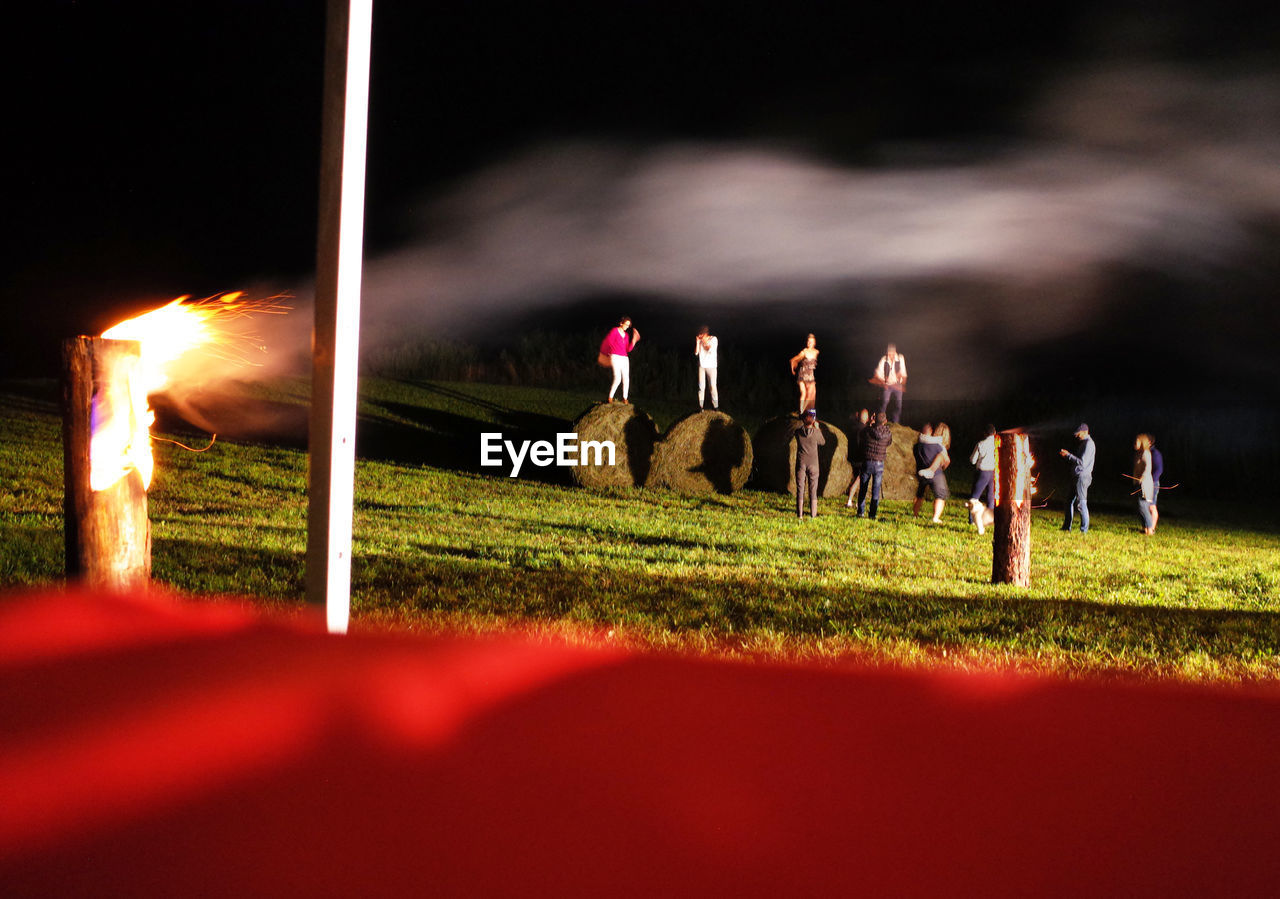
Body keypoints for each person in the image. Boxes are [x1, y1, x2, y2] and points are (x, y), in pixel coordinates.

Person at [856, 411, 893, 519]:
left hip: (867, 461)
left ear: (874, 419)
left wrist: (870, 423)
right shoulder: (888, 433)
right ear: (885, 421)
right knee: (876, 490)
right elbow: (889, 443)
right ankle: (872, 514)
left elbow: (861, 434)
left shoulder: (867, 431)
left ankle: (861, 512)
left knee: (863, 488)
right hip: (879, 463)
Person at [1059, 423, 1095, 534]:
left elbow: (1082, 462)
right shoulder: (1084, 443)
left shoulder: (1089, 444)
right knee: (1069, 501)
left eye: (1078, 434)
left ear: (1085, 431)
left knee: (1081, 503)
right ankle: (1066, 527)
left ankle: (1084, 530)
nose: (1076, 436)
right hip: (1077, 477)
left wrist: (1068, 455)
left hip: (1082, 477)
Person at [913, 422, 951, 523]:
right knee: (940, 496)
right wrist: (942, 468)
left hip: (921, 472)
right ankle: (935, 518)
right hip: (936, 474)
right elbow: (947, 460)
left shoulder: (917, 446)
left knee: (919, 495)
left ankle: (915, 515)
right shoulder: (938, 446)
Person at [792, 408, 826, 520]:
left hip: (801, 463)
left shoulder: (797, 432)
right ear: (813, 420)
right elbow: (823, 442)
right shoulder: (816, 433)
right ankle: (813, 514)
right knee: (813, 490)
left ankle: (800, 515)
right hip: (813, 464)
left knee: (800, 489)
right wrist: (817, 428)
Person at [600, 316, 640, 404]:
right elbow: (609, 341)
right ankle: (610, 397)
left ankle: (625, 398)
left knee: (626, 379)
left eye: (628, 325)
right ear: (621, 323)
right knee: (617, 378)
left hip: (625, 358)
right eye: (626, 324)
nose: (627, 326)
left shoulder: (626, 335)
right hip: (615, 357)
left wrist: (633, 340)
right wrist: (607, 354)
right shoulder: (615, 331)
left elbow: (628, 349)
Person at [872, 344, 907, 423]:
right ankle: (880, 421)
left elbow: (904, 373)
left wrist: (903, 384)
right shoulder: (884, 360)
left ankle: (896, 422)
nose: (890, 356)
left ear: (895, 352)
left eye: (892, 354)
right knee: (884, 402)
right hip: (887, 385)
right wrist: (883, 383)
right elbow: (878, 373)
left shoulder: (900, 358)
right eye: (888, 354)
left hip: (897, 384)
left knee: (898, 404)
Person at [969, 424, 997, 516]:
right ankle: (990, 518)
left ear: (984, 433)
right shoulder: (998, 444)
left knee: (975, 496)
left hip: (983, 472)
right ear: (995, 432)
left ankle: (971, 519)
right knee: (990, 497)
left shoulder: (981, 444)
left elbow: (973, 460)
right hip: (993, 472)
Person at [845, 408, 871, 508]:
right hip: (861, 459)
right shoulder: (865, 430)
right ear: (866, 417)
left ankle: (855, 501)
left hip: (853, 457)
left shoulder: (852, 428)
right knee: (859, 480)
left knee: (858, 479)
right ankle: (850, 500)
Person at [789, 334, 819, 415]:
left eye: (811, 342)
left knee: (811, 394)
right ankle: (801, 411)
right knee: (804, 393)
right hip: (803, 374)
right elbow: (794, 359)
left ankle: (807, 411)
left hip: (810, 376)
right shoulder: (804, 351)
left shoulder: (816, 352)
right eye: (808, 341)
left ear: (814, 343)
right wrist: (793, 367)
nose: (809, 343)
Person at [1134, 433, 1156, 536]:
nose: (1135, 443)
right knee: (1140, 506)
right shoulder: (1138, 454)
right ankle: (1145, 528)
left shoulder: (1146, 453)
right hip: (1139, 483)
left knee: (1143, 505)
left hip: (1145, 484)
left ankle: (1150, 529)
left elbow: (1148, 468)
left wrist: (1142, 477)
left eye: (1137, 441)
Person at [694, 326, 719, 411]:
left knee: (712, 386)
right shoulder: (700, 341)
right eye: (699, 335)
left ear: (705, 334)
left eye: (701, 335)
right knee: (701, 387)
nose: (700, 337)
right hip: (702, 366)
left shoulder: (714, 339)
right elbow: (696, 353)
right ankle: (700, 406)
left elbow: (708, 348)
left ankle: (716, 406)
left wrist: (704, 342)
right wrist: (697, 342)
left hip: (711, 366)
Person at [1149, 437, 1164, 532]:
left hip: (1152, 483)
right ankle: (1148, 527)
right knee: (1147, 505)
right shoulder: (1147, 453)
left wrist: (1151, 481)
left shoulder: (1155, 454)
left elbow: (1159, 469)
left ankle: (1152, 528)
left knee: (1151, 505)